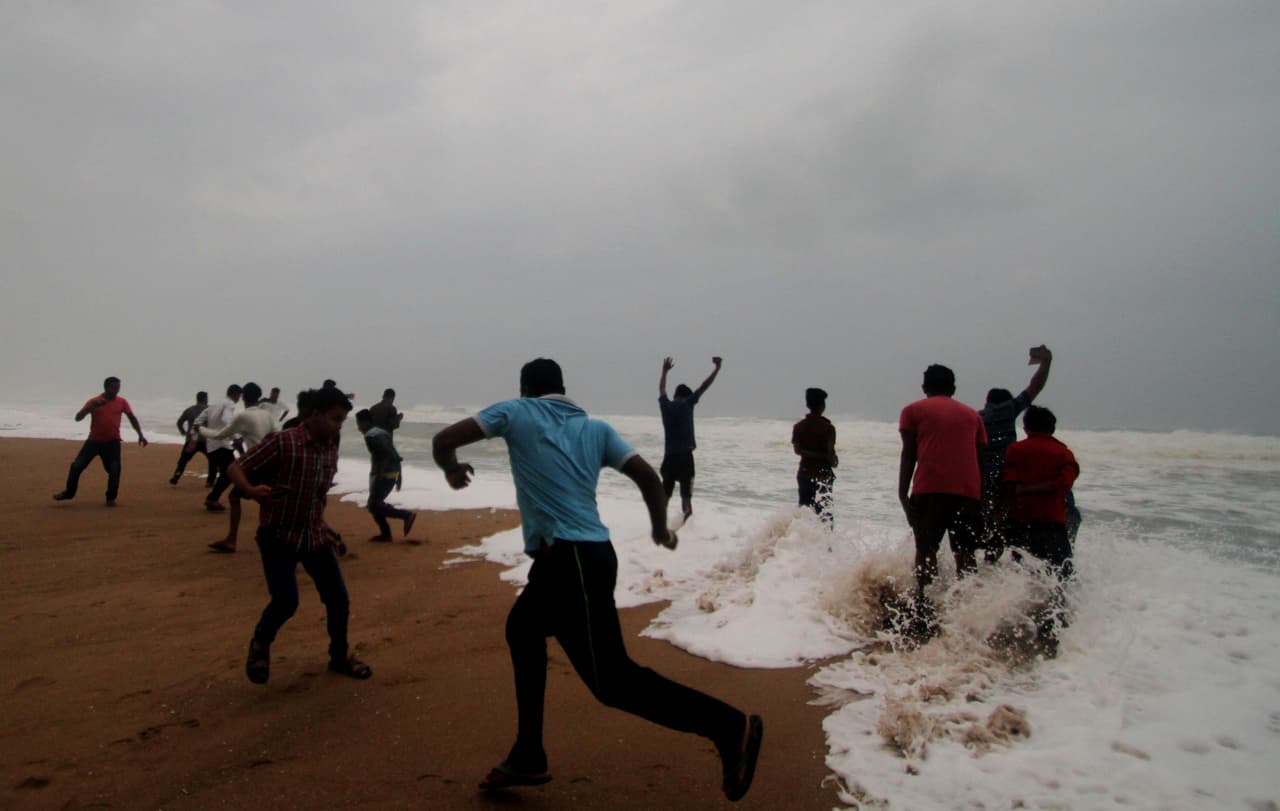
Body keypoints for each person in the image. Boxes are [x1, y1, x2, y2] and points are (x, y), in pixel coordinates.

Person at [432, 358, 762, 801]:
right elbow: (647, 476)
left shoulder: (514, 411)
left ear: (526, 387)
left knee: (614, 682)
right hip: (585, 559)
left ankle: (728, 726)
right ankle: (528, 752)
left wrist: (452, 470)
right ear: (563, 388)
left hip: (572, 562)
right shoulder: (595, 429)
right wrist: (660, 528)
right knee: (523, 629)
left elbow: (443, 440)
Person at [225, 386, 371, 684]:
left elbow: (317, 496)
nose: (338, 426)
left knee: (338, 599)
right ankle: (260, 644)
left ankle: (339, 656)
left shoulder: (331, 447)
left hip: (314, 537)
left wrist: (326, 530)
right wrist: (250, 491)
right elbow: (236, 467)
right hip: (278, 537)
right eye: (334, 418)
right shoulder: (283, 442)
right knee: (286, 601)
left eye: (342, 421)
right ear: (314, 414)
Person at [898, 364, 988, 636]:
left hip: (930, 490)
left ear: (925, 387)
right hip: (968, 493)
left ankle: (924, 609)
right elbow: (980, 459)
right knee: (965, 554)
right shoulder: (973, 416)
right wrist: (979, 497)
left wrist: (902, 493)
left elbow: (909, 453)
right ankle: (967, 614)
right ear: (953, 388)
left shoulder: (913, 411)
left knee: (926, 550)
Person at [1002, 406, 1080, 657]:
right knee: (1060, 577)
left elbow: (1009, 485)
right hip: (1053, 525)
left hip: (1021, 524)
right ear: (1052, 428)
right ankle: (1055, 624)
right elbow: (1065, 485)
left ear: (1026, 427)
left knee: (1020, 575)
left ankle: (1018, 620)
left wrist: (1023, 493)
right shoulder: (1064, 453)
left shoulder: (1016, 450)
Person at [979, 346, 1052, 558]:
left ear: (987, 401)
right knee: (1004, 524)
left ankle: (987, 565)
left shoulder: (977, 417)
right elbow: (1035, 386)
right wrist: (1047, 363)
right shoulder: (1009, 409)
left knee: (986, 527)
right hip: (1006, 478)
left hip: (981, 478)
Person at [202, 383, 278, 553]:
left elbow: (219, 434)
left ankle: (232, 540)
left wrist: (200, 429)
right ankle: (232, 539)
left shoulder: (243, 416)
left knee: (259, 500)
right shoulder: (267, 414)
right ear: (259, 397)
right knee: (250, 497)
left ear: (243, 398)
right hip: (272, 462)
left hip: (256, 464)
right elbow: (277, 434)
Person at [53, 376, 148, 506]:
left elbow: (132, 418)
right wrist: (90, 408)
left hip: (112, 442)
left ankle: (111, 498)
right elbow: (78, 418)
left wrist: (140, 435)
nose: (116, 391)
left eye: (118, 388)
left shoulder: (122, 402)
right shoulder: (94, 401)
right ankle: (69, 493)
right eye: (114, 388)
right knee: (76, 466)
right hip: (93, 442)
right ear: (106, 387)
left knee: (114, 470)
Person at [657, 356, 722, 519]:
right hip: (685, 458)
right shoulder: (688, 404)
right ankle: (686, 529)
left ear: (676, 394)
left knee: (665, 497)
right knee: (686, 499)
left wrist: (664, 372)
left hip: (669, 458)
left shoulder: (666, 406)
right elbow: (704, 386)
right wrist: (717, 368)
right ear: (686, 396)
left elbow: (662, 390)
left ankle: (659, 530)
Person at [355, 409, 416, 542]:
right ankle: (386, 534)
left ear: (364, 422)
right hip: (393, 470)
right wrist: (399, 476)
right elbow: (393, 453)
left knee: (373, 505)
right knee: (375, 504)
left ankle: (405, 516)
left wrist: (380, 475)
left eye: (358, 423)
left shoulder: (370, 436)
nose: (358, 427)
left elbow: (385, 455)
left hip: (384, 473)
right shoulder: (382, 432)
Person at [792, 387, 837, 526]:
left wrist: (812, 455)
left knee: (804, 512)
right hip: (823, 476)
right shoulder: (828, 428)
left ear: (807, 405)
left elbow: (797, 451)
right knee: (825, 515)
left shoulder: (799, 427)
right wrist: (832, 460)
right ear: (823, 406)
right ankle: (826, 546)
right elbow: (831, 456)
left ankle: (801, 542)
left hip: (804, 473)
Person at [195, 384, 242, 512]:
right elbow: (227, 420)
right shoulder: (229, 404)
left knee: (226, 473)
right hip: (222, 445)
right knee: (231, 473)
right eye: (239, 396)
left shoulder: (214, 405)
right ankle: (212, 498)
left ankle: (213, 498)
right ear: (236, 395)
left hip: (211, 445)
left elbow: (197, 421)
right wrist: (236, 437)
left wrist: (201, 432)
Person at [170, 391, 212, 486]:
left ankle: (177, 475)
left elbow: (179, 422)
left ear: (197, 399)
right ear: (206, 399)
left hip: (192, 440)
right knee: (212, 461)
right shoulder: (210, 410)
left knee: (183, 459)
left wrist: (183, 432)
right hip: (206, 440)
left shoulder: (189, 410)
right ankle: (210, 481)